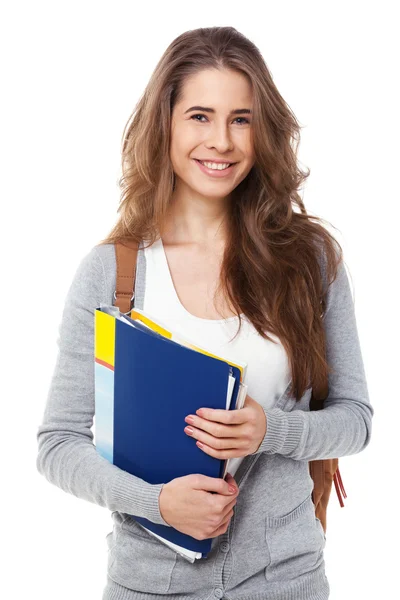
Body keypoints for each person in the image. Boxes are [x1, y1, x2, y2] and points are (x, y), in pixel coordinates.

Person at [36, 26, 373, 600]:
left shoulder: (311, 260)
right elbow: (58, 443)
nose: (221, 140)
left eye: (241, 119)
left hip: (285, 580)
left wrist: (272, 429)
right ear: (164, 123)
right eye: (199, 116)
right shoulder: (112, 273)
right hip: (150, 585)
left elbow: (355, 420)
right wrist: (157, 503)